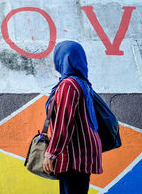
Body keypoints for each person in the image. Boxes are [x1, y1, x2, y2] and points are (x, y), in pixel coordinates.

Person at [42, 41, 103, 194]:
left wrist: (51, 153)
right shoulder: (83, 84)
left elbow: (64, 121)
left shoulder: (68, 85)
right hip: (83, 153)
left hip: (74, 155)